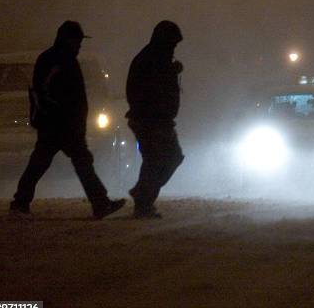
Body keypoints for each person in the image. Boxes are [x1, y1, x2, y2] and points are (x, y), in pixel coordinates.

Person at [10, 21, 126, 219]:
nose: (80, 44)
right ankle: (100, 203)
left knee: (42, 162)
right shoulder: (59, 60)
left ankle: (21, 202)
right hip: (61, 124)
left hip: (59, 123)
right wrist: (64, 117)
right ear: (68, 39)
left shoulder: (58, 59)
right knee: (78, 161)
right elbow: (45, 91)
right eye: (77, 40)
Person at [126, 21, 185, 218]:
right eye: (173, 44)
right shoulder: (151, 60)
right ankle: (143, 200)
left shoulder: (155, 59)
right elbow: (146, 89)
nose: (174, 48)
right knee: (158, 159)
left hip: (158, 119)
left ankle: (143, 194)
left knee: (165, 158)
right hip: (151, 120)